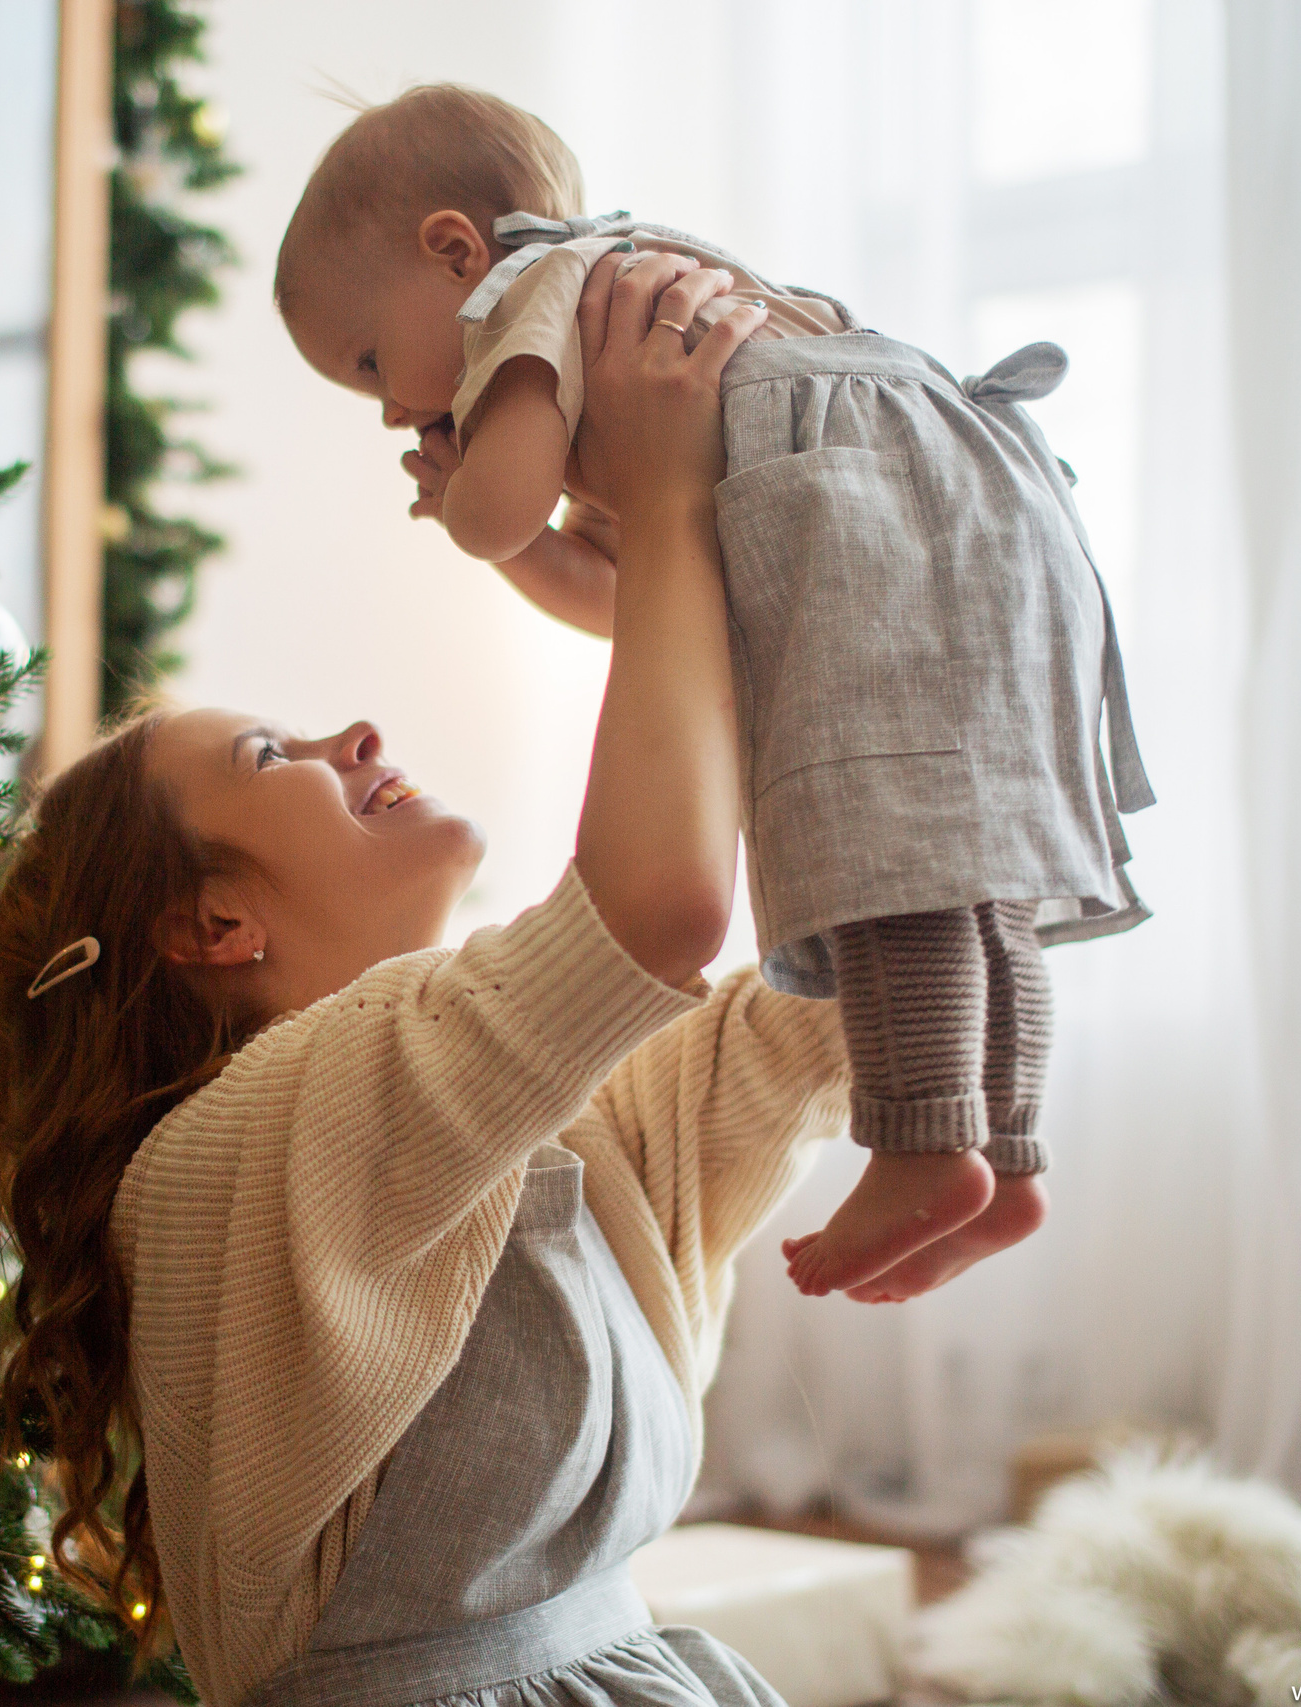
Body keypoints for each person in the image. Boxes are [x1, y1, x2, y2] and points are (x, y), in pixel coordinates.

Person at [0, 254, 850, 1707]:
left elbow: (827, 1006)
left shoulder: (521, 1108)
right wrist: (673, 516)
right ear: (209, 925)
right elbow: (659, 908)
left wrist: (761, 566)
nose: (356, 735)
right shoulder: (237, 1151)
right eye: (275, 756)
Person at [272, 83, 1155, 1306]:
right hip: (985, 509)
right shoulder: (647, 335)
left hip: (873, 516)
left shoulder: (538, 294)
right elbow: (625, 596)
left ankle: (917, 1144)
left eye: (370, 358)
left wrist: (458, 490)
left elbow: (499, 511)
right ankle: (1004, 1160)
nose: (387, 407)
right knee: (965, 863)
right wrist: (514, 530)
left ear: (453, 250)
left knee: (880, 845)